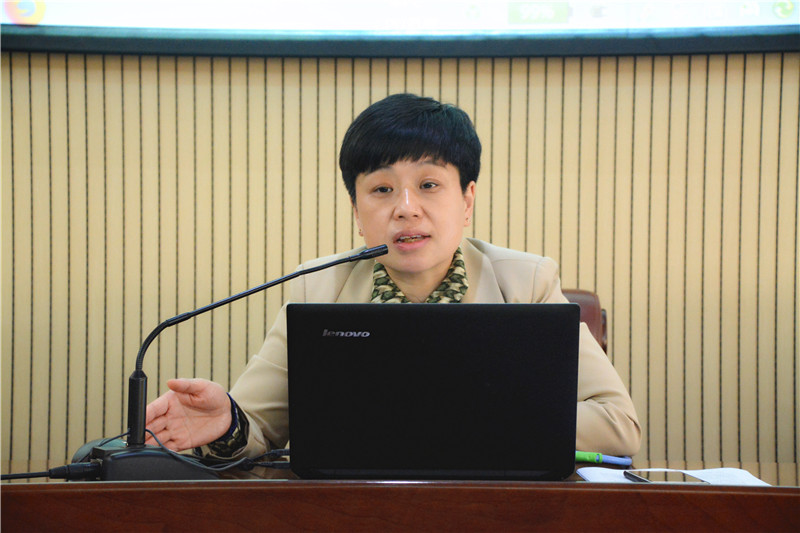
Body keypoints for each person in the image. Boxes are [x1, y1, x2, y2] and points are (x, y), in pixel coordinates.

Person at [145, 93, 641, 459]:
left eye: (429, 184)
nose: (406, 208)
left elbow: (618, 424)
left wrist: (454, 414)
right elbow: (259, 427)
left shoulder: (526, 283)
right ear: (357, 211)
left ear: (466, 200)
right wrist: (226, 421)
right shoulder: (318, 287)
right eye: (382, 189)